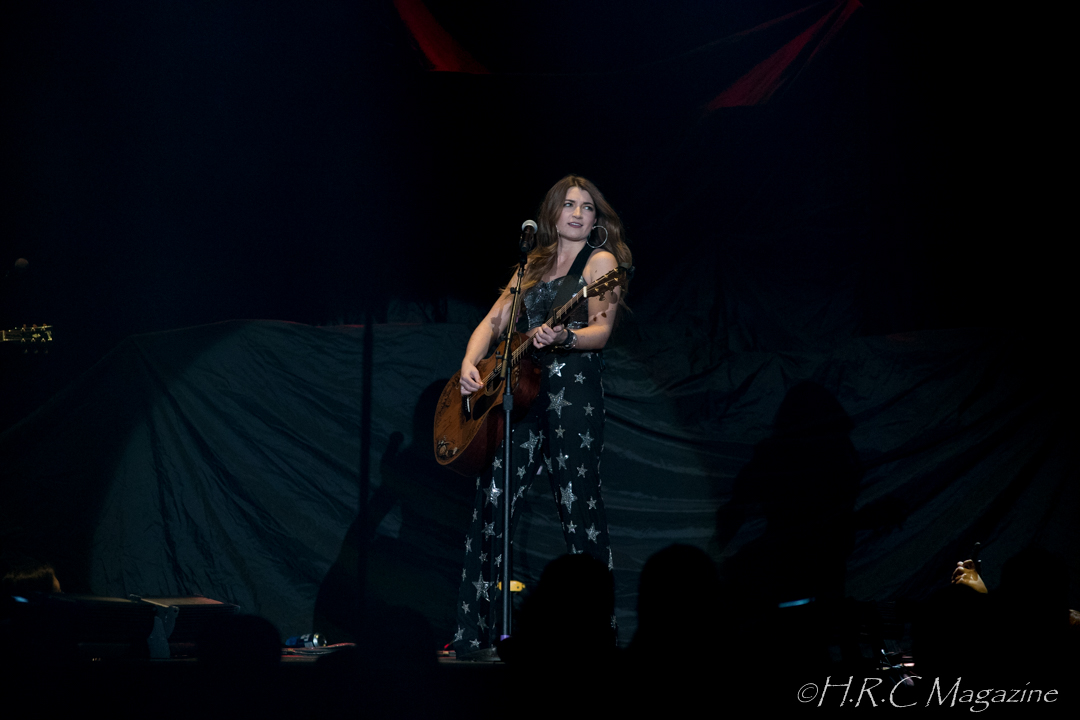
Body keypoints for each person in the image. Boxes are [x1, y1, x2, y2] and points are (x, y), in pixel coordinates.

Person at [453, 175, 632, 657]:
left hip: (572, 397)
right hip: (521, 398)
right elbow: (492, 322)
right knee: (491, 504)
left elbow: (601, 331)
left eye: (588, 207)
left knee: (579, 512)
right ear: (552, 212)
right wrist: (470, 363)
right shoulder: (531, 264)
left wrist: (566, 337)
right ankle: (475, 635)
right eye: (569, 204)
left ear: (596, 219)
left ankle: (596, 638)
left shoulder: (601, 262)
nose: (578, 213)